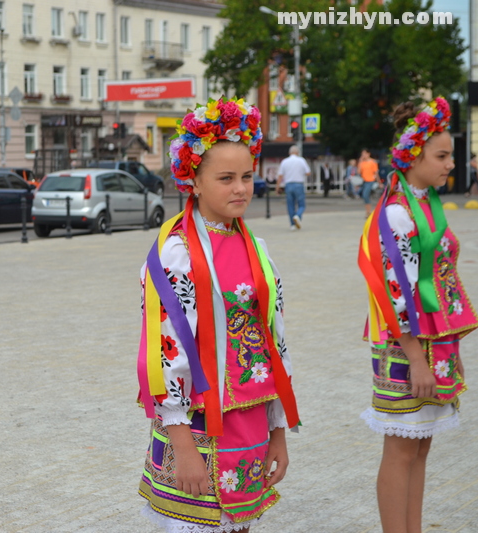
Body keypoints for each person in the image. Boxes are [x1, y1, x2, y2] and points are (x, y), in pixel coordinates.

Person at [138, 96, 300, 533]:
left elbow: (273, 342)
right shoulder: (176, 254)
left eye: (247, 176)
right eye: (226, 178)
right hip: (196, 426)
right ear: (193, 179)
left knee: (241, 527)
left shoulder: (257, 249)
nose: (241, 188)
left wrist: (278, 431)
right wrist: (183, 444)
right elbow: (165, 351)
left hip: (249, 419)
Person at [358, 97, 477, 533]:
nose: (451, 164)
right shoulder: (396, 212)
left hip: (433, 344)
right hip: (406, 347)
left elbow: (441, 283)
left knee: (421, 446)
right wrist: (417, 357)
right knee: (402, 448)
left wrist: (450, 349)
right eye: (442, 155)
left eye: (450, 155)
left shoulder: (425, 204)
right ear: (413, 156)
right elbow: (394, 296)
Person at [277, 145, 310, 230]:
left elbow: (280, 176)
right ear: (297, 152)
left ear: (289, 153)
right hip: (299, 184)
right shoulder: (301, 160)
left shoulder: (284, 161)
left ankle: (292, 225)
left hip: (288, 185)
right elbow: (308, 172)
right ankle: (297, 216)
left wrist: (277, 187)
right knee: (301, 205)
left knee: (290, 205)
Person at [358, 148, 379, 217]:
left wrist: (379, 182)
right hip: (364, 181)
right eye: (362, 154)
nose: (363, 155)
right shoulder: (362, 162)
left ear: (368, 154)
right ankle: (368, 211)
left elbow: (376, 173)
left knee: (365, 195)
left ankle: (368, 212)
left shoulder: (373, 162)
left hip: (370, 181)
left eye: (364, 154)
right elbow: (358, 172)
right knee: (362, 195)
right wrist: (360, 162)